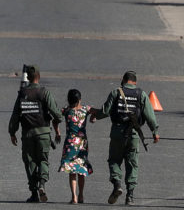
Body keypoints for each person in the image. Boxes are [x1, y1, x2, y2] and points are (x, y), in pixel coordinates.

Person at [92, 70, 160, 205]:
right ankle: (130, 196)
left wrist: (95, 115)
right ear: (135, 82)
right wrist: (155, 131)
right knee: (132, 164)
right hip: (134, 133)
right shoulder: (141, 94)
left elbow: (105, 111)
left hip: (117, 132)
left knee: (114, 160)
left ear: (123, 80)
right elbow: (149, 115)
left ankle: (117, 184)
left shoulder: (116, 92)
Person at [8, 65, 62, 203]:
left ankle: (34, 193)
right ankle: (42, 185)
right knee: (43, 160)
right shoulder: (44, 92)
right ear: (38, 76)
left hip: (27, 135)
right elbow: (56, 113)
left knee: (30, 163)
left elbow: (15, 115)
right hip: (43, 133)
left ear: (29, 77)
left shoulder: (22, 93)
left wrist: (12, 132)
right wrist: (58, 120)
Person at [58, 89, 94, 204]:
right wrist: (94, 117)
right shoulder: (85, 109)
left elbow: (55, 117)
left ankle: (74, 196)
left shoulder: (66, 110)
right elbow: (99, 112)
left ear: (68, 100)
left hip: (70, 142)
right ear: (80, 100)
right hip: (82, 143)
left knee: (72, 170)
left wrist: (57, 132)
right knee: (81, 170)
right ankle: (81, 195)